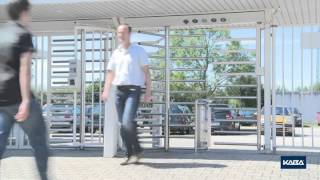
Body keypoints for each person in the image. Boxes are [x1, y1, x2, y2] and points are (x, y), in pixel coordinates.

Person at [0, 0, 49, 179]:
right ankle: (43, 176)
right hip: (18, 99)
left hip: (1, 99)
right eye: (29, 12)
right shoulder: (23, 33)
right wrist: (26, 100)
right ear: (23, 12)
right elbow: (25, 68)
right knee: (39, 141)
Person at [102, 24, 152, 165]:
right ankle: (132, 153)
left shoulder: (138, 50)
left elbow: (147, 73)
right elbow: (110, 74)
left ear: (130, 34)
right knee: (123, 124)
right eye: (119, 33)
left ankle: (136, 150)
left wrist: (148, 91)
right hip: (119, 91)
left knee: (126, 122)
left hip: (133, 91)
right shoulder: (116, 53)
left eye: (123, 32)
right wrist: (105, 90)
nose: (121, 35)